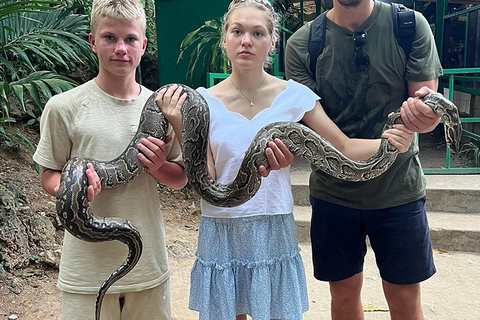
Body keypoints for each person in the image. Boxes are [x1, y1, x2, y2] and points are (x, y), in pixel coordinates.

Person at [155, 1, 413, 319]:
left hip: (272, 224)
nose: (246, 40)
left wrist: (388, 144)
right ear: (225, 39)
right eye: (237, 31)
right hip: (222, 228)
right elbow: (207, 178)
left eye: (257, 33)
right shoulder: (202, 101)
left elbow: (342, 147)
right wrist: (179, 123)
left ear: (272, 42)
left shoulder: (295, 96)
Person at [284, 0, 443, 319]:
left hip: (398, 190)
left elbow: (428, 107)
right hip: (334, 194)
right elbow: (328, 138)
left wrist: (424, 118)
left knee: (405, 299)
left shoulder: (409, 26)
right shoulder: (302, 44)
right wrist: (386, 143)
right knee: (342, 295)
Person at [32, 0, 187, 319]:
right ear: (93, 41)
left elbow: (180, 179)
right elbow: (48, 175)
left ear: (143, 45)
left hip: (147, 270)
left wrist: (158, 167)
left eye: (130, 39)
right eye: (109, 38)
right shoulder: (64, 107)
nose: (121, 48)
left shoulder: (162, 106)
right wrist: (73, 187)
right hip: (85, 273)